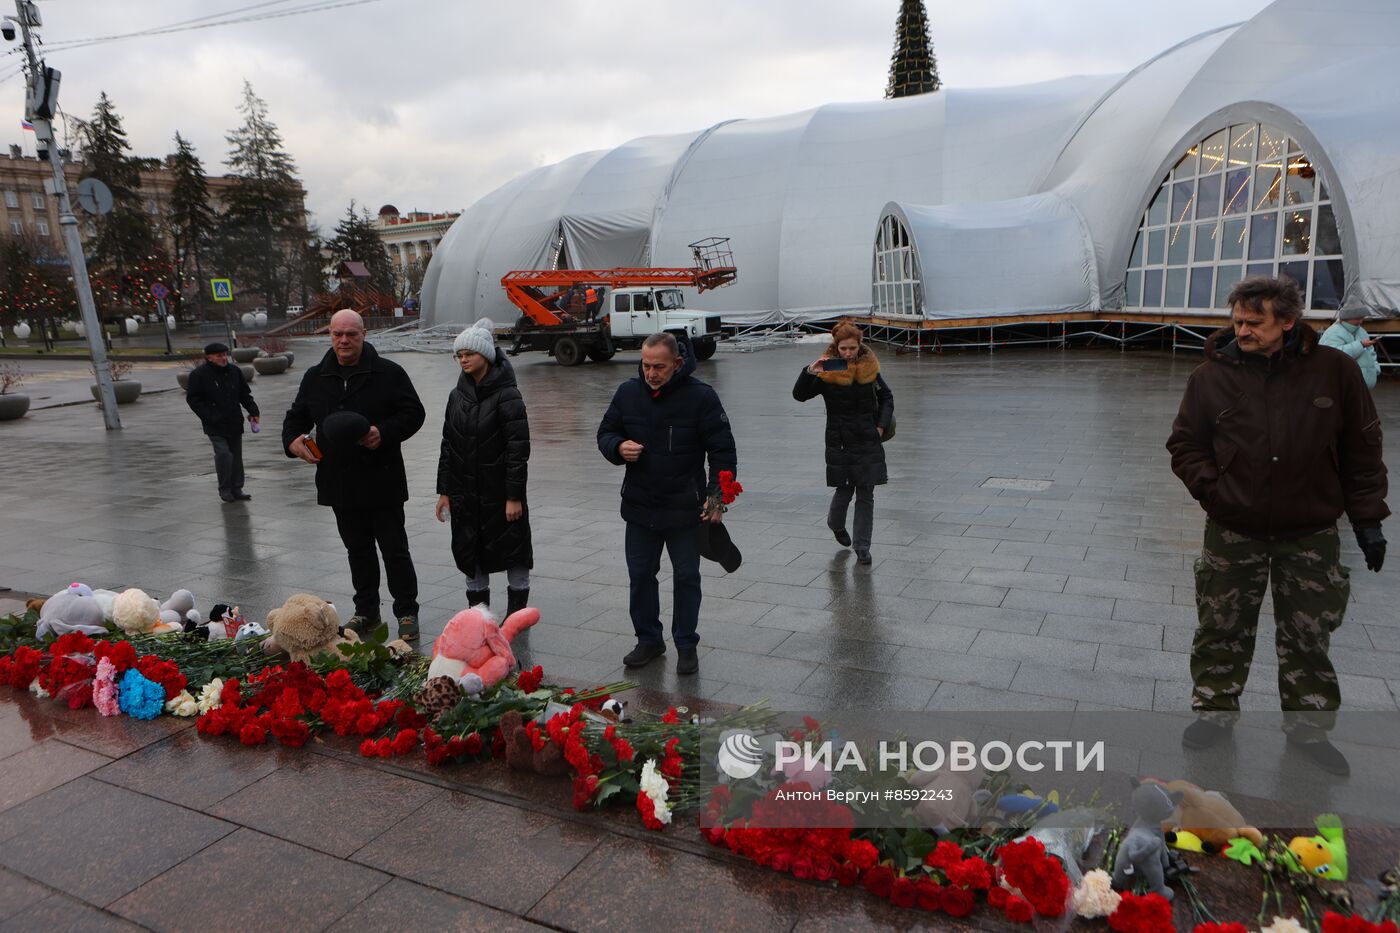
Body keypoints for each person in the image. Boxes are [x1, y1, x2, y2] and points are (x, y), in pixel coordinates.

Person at [1166, 276, 1388, 776]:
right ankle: (1214, 713)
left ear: (1288, 321)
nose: (1242, 330)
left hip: (1309, 533)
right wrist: (1215, 490)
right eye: (1238, 321)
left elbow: (1363, 448)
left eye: (1254, 322)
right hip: (1234, 531)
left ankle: (1309, 730)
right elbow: (1184, 444)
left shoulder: (1334, 372)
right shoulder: (1211, 377)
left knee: (1309, 636)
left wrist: (1368, 519)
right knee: (1221, 626)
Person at [283, 309, 427, 641]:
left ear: (364, 335)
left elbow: (414, 413)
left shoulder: (388, 373)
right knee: (357, 550)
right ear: (330, 335)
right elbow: (296, 418)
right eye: (337, 334)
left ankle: (406, 612)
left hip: (383, 479)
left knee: (394, 549)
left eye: (352, 334)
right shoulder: (315, 377)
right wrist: (293, 442)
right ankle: (367, 611)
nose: (344, 340)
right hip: (340, 481)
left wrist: (383, 432)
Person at [597, 333, 737, 675]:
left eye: (659, 366)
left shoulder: (701, 397)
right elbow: (605, 432)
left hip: (685, 508)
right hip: (640, 506)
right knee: (640, 576)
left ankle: (686, 644)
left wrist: (715, 498)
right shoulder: (627, 393)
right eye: (645, 365)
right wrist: (617, 447)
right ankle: (649, 640)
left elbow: (722, 450)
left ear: (677, 363)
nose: (651, 373)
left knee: (687, 576)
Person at [434, 318, 534, 616]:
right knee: (470, 553)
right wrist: (444, 491)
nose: (463, 359)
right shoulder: (457, 396)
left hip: (499, 493)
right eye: (459, 354)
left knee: (514, 553)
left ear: (486, 356)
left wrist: (513, 496)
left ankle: (516, 617)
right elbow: (447, 444)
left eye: (470, 354)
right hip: (465, 494)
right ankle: (479, 618)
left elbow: (518, 449)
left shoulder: (508, 394)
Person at [792, 321, 894, 565]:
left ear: (860, 345)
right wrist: (810, 371)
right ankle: (835, 523)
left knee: (866, 494)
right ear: (836, 347)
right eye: (843, 348)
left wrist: (880, 425)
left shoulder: (870, 368)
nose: (848, 353)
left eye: (852, 348)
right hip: (841, 441)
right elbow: (800, 395)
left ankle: (862, 546)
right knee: (845, 491)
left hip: (868, 439)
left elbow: (886, 396)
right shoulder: (829, 370)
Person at [185, 341, 260, 503]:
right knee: (224, 455)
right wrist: (209, 416)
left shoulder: (234, 371)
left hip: (234, 421)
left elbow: (244, 394)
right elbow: (193, 399)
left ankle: (237, 488)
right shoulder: (199, 375)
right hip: (214, 424)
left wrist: (253, 411)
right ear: (209, 358)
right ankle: (225, 489)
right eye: (219, 355)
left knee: (236, 456)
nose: (224, 358)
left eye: (225, 354)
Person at [1319, 311, 1380, 390]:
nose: (1361, 321)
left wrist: (1375, 369)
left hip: (1361, 386)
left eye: (1362, 318)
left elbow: (1371, 352)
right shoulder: (1333, 332)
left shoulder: (1362, 331)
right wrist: (1360, 345)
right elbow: (1332, 355)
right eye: (1357, 318)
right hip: (1341, 386)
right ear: (1347, 317)